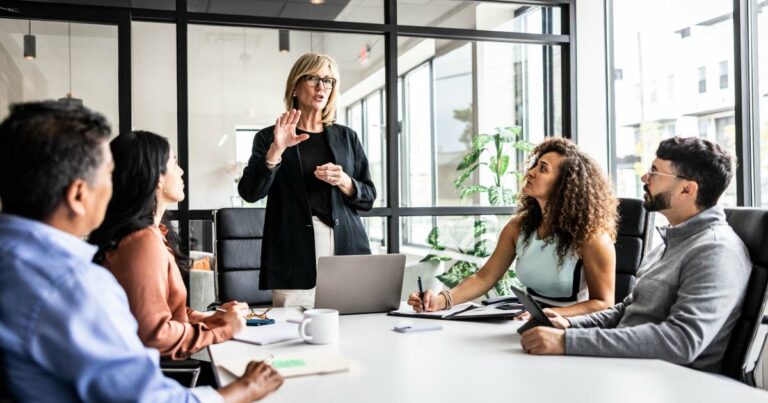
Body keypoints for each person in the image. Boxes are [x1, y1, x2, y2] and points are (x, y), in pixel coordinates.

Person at [0, 101, 282, 402]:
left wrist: (210, 320)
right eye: (108, 175)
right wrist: (244, 388)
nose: (115, 185)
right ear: (79, 195)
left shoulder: (17, 262)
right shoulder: (75, 286)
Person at [520, 136, 751, 373]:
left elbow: (681, 341)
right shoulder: (671, 241)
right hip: (631, 368)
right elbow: (627, 310)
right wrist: (569, 324)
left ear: (687, 189)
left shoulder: (716, 251)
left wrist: (567, 342)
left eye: (655, 172)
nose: (645, 178)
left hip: (672, 382)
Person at [408, 137, 619, 318]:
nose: (531, 172)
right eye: (535, 165)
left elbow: (603, 303)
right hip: (524, 320)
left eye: (543, 169)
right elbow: (485, 277)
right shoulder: (519, 226)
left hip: (569, 327)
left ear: (564, 184)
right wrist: (441, 300)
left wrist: (552, 314)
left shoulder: (592, 238)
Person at [88, 130, 247, 361]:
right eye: (174, 162)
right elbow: (155, 335)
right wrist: (222, 329)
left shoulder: (152, 235)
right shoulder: (141, 242)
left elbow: (157, 311)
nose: (181, 171)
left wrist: (208, 318)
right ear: (158, 177)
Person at [239, 52, 376, 308]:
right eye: (313, 78)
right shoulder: (269, 136)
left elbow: (368, 196)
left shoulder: (347, 137)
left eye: (329, 81)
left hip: (346, 246)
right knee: (291, 335)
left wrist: (345, 181)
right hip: (293, 251)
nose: (322, 87)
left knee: (353, 329)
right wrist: (276, 150)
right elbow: (249, 192)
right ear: (295, 85)